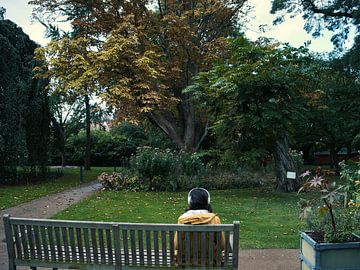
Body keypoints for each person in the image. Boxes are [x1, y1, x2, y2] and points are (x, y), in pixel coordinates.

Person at [174, 187, 224, 266]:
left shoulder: (182, 220)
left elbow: (176, 245)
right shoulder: (215, 220)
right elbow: (221, 246)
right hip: (210, 261)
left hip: (184, 262)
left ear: (189, 202)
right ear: (208, 201)